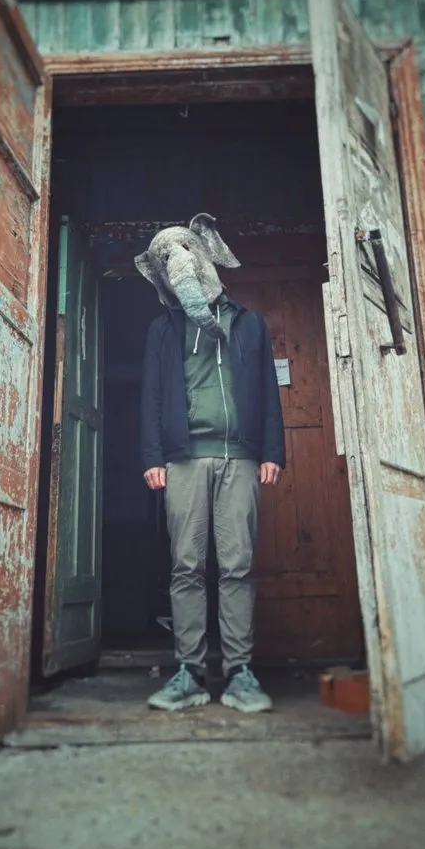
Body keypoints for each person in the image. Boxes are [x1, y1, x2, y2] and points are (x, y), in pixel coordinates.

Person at [139, 250, 285, 714]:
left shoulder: (250, 325)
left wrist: (272, 451)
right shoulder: (164, 328)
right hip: (184, 460)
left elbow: (267, 389)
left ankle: (240, 672)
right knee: (186, 565)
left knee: (237, 565)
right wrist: (152, 455)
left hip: (240, 459)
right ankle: (192, 673)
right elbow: (152, 393)